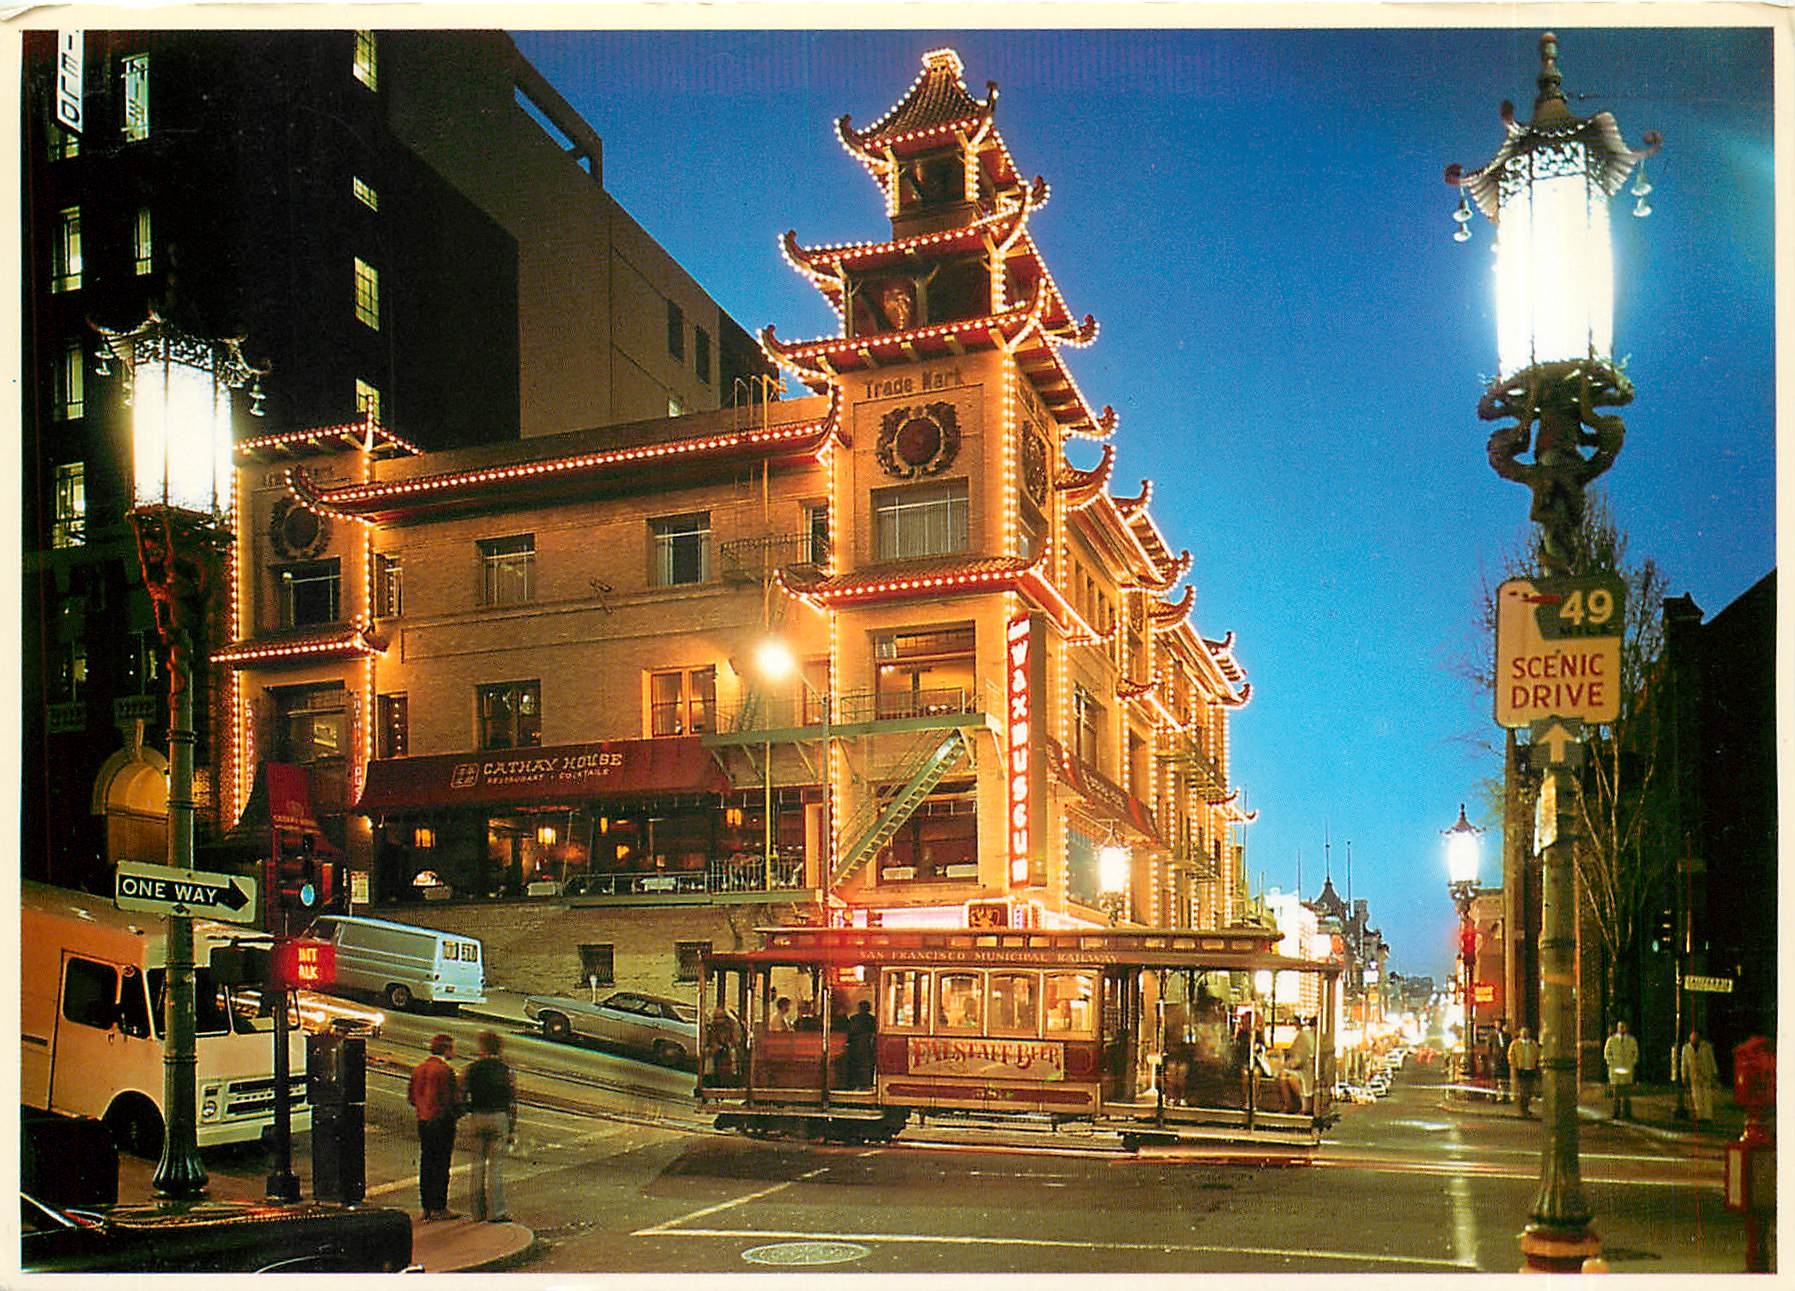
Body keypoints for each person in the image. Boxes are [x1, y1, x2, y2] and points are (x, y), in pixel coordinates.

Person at [461, 1030, 517, 1223]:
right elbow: (512, 1100)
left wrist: (469, 1109)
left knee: (477, 1167)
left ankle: (477, 1213)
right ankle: (497, 1212)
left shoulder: (472, 1068)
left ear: (482, 1047)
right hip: (498, 1116)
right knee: (496, 1168)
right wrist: (511, 1127)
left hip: (478, 1116)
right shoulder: (506, 1070)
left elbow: (462, 1093)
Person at [407, 1033, 459, 1220]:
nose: (454, 1051)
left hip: (423, 1120)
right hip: (442, 1122)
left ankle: (427, 1207)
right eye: (452, 1048)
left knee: (426, 1163)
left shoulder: (419, 1069)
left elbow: (412, 1098)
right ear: (446, 1050)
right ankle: (440, 1206)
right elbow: (450, 1100)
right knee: (441, 1165)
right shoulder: (445, 1071)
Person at [1680, 1029, 1720, 1127]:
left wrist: (1714, 1072)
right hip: (1694, 1075)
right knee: (1696, 1096)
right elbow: (1684, 1063)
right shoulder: (1686, 1048)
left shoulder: (1706, 1046)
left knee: (1707, 1096)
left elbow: (1711, 1059)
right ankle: (1699, 1116)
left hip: (1706, 1074)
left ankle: (1707, 1116)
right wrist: (1684, 1076)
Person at [1604, 1020, 1639, 1120]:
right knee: (1616, 1093)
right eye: (1620, 1026)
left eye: (1624, 1026)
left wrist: (1632, 1063)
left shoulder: (1632, 1040)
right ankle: (1616, 1112)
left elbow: (1635, 1053)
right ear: (1618, 1027)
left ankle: (1627, 1113)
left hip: (1627, 1069)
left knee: (1627, 1092)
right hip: (1615, 1070)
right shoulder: (1611, 1040)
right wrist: (1611, 1063)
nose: (1622, 1028)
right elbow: (1607, 1053)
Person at [1281, 1018, 1315, 1115]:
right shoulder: (1307, 1035)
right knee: (1284, 1076)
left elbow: (1298, 1058)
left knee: (1287, 1076)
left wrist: (1287, 1065)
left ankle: (1301, 1105)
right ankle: (1289, 1105)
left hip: (1305, 1069)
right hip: (1304, 1067)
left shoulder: (1304, 1036)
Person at [1506, 1026, 1541, 1117]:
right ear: (1520, 1033)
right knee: (1522, 1090)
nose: (1524, 1034)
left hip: (1531, 1069)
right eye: (1523, 1032)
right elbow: (1510, 1055)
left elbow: (1538, 1055)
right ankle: (1522, 1109)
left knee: (1529, 1090)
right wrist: (1515, 1065)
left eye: (1526, 1032)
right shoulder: (1515, 1044)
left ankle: (1527, 1107)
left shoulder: (1533, 1044)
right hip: (1520, 1069)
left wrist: (1536, 1064)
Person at [843, 999, 877, 1089]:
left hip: (855, 1046)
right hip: (868, 1046)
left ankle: (854, 1083)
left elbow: (850, 1033)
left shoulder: (854, 1019)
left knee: (854, 1065)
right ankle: (867, 1083)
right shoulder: (872, 1019)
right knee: (868, 1066)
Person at [1489, 1020, 1513, 1102]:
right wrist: (1490, 1060)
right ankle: (1493, 1097)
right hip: (1495, 1059)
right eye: (1496, 1024)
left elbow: (1510, 1047)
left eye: (1499, 1024)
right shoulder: (1491, 1036)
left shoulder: (1507, 1035)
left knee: (1505, 1079)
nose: (1498, 1025)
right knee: (1494, 1079)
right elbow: (1489, 1048)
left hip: (1505, 1060)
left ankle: (1505, 1097)